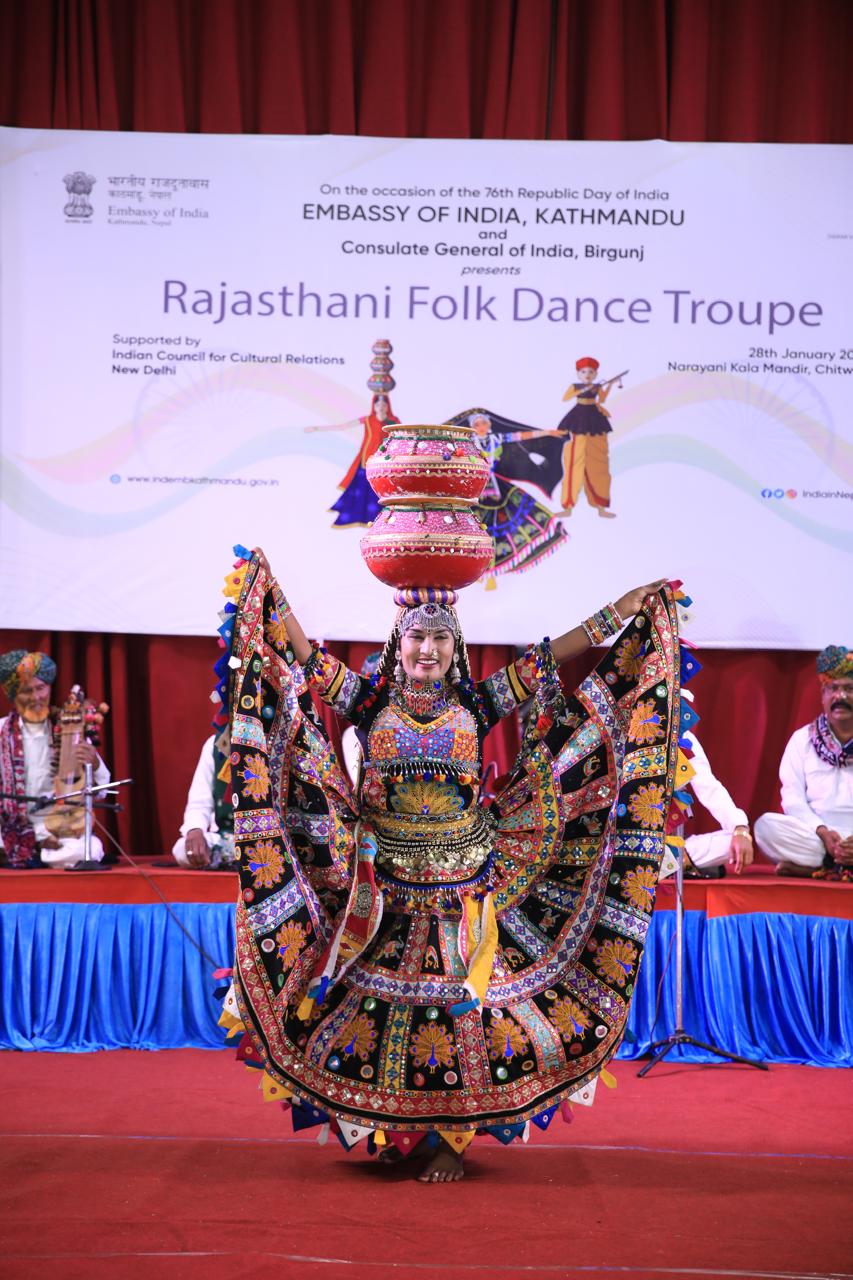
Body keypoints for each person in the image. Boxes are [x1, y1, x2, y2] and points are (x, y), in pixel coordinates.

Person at [220, 549, 684, 1184]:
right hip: (386, 894)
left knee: (460, 1016)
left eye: (441, 637)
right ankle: (399, 1132)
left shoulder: (478, 700)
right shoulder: (367, 702)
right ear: (398, 641)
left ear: (456, 645)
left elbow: (552, 657)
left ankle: (449, 1144)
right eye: (417, 637)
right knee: (384, 1017)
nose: (428, 649)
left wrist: (620, 612)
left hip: (464, 892)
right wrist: (267, 593)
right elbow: (303, 656)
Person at [0, 650, 109, 868]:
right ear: (13, 695)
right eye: (26, 690)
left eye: (41, 688)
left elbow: (102, 792)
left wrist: (93, 764)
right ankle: (32, 849)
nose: (36, 697)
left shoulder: (70, 728)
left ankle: (35, 852)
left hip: (60, 826)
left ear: (49, 687)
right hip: (10, 827)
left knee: (89, 849)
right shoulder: (1, 731)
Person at [755, 645, 853, 878]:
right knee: (765, 827)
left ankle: (823, 866)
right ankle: (833, 862)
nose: (840, 696)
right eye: (833, 689)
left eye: (849, 689)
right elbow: (792, 797)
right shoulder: (803, 739)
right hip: (818, 837)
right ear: (823, 695)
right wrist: (822, 831)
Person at [306, 392, 400, 527]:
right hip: (367, 461)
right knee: (362, 492)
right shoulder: (368, 419)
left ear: (387, 405)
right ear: (374, 405)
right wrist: (316, 428)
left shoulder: (393, 421)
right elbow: (342, 426)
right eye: (378, 403)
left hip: (385, 462)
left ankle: (387, 522)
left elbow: (404, 435)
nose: (381, 406)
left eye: (383, 404)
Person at [677, 727, 753, 876]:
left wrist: (739, 828)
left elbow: (709, 789)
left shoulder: (681, 736)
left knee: (730, 843)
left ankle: (668, 862)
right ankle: (669, 864)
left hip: (664, 843)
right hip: (622, 840)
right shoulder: (619, 730)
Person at [556, 356, 619, 518]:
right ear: (578, 374)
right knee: (573, 462)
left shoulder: (597, 386)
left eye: (591, 372)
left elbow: (602, 399)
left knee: (598, 462)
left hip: (595, 419)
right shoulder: (575, 386)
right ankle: (567, 507)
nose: (587, 374)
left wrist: (610, 385)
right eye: (584, 372)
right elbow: (565, 398)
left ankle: (601, 507)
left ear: (596, 373)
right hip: (578, 419)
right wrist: (581, 390)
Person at [171, 734, 235, 869]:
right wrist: (195, 829)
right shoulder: (219, 743)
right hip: (230, 838)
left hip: (274, 837)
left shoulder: (279, 738)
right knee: (183, 849)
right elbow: (199, 802)